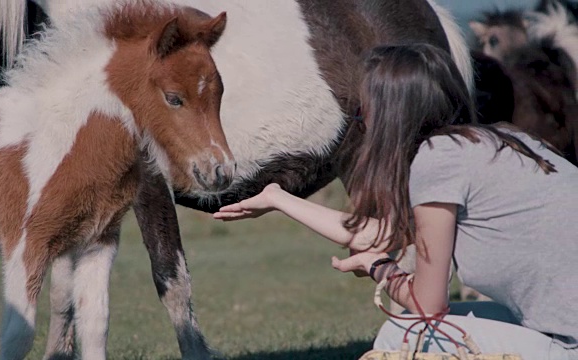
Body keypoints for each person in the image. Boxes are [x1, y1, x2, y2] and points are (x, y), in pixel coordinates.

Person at [213, 43, 578, 359]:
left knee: (405, 334)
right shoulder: (495, 143)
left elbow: (427, 306)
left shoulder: (439, 161)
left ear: (392, 116)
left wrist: (381, 270)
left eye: (363, 114)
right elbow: (381, 235)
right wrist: (279, 199)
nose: (363, 124)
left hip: (569, 343)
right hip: (560, 329)